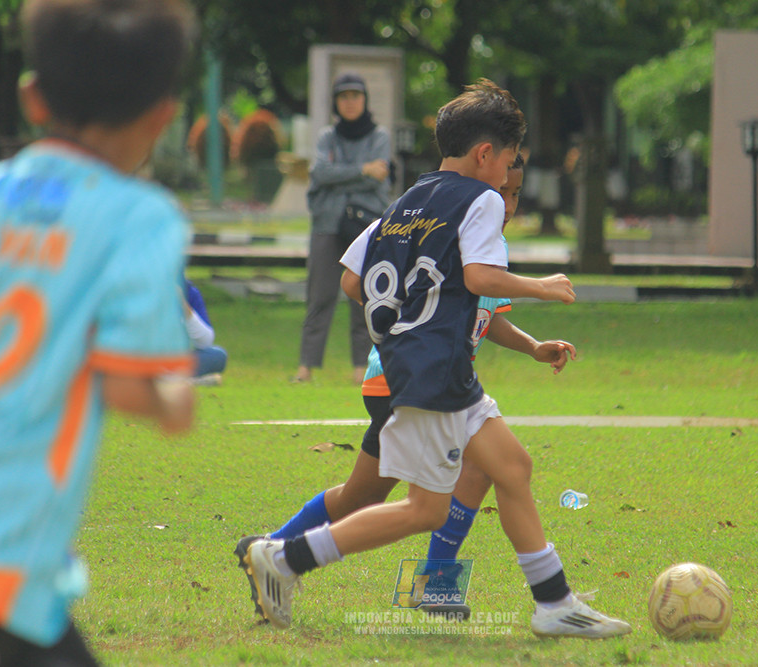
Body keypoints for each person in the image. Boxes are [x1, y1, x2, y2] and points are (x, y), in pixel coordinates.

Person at [236, 79, 631, 639]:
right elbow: (481, 278)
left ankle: (554, 602)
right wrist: (541, 286)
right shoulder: (481, 198)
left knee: (512, 467)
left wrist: (400, 319)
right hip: (433, 370)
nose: (507, 180)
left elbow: (352, 279)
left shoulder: (408, 199)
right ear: (486, 154)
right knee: (424, 510)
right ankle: (284, 558)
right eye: (509, 163)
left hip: (431, 367)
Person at [0, 1, 197, 664]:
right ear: (162, 115)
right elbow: (129, 385)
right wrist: (175, 396)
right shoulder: (138, 217)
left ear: (32, 98)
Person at [247, 154, 574, 620]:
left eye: (515, 193)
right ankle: (420, 580)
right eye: (502, 188)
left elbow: (488, 313)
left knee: (372, 493)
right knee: (436, 501)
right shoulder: (442, 218)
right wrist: (411, 318)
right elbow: (355, 280)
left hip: (425, 378)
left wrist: (533, 346)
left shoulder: (474, 231)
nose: (506, 202)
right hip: (413, 377)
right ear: (481, 163)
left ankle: (271, 549)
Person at [295, 73, 391, 384]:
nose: (350, 102)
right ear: (335, 103)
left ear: (365, 100)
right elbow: (320, 173)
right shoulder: (327, 137)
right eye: (343, 97)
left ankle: (360, 367)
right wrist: (363, 170)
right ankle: (306, 367)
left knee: (362, 295)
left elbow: (379, 181)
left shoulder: (379, 136)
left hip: (365, 227)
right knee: (319, 296)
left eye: (355, 96)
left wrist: (339, 178)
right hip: (327, 224)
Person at [184, 279, 228, 385]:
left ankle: (168, 379)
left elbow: (204, 342)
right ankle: (185, 380)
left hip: (174, 357)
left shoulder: (189, 291)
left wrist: (183, 307)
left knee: (217, 356)